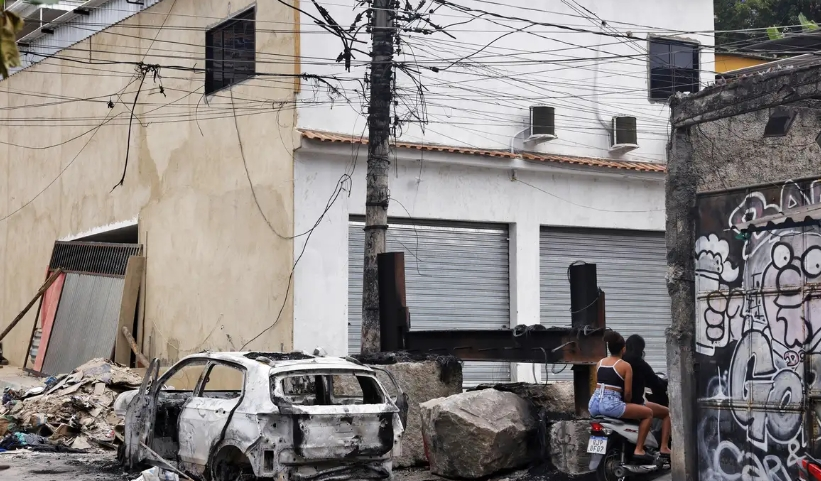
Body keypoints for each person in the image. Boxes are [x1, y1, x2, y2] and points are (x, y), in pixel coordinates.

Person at [589, 331, 654, 460]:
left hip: (594, 404)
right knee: (648, 413)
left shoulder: (600, 363)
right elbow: (628, 393)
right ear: (623, 349)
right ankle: (639, 449)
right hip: (611, 404)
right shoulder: (625, 366)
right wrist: (628, 403)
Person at [623, 334, 672, 456]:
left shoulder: (619, 361)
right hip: (634, 404)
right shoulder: (640, 364)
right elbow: (655, 383)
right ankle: (664, 447)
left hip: (617, 403)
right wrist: (665, 385)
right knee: (667, 413)